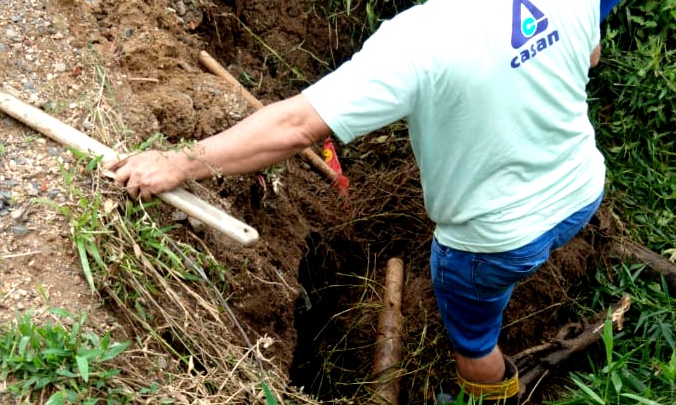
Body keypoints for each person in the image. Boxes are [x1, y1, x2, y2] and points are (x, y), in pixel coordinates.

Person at [108, 0, 621, 403]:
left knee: (475, 339)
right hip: (581, 192)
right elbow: (591, 53)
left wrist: (180, 163)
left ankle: (485, 394)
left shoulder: (422, 40)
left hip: (492, 242)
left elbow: (295, 126)